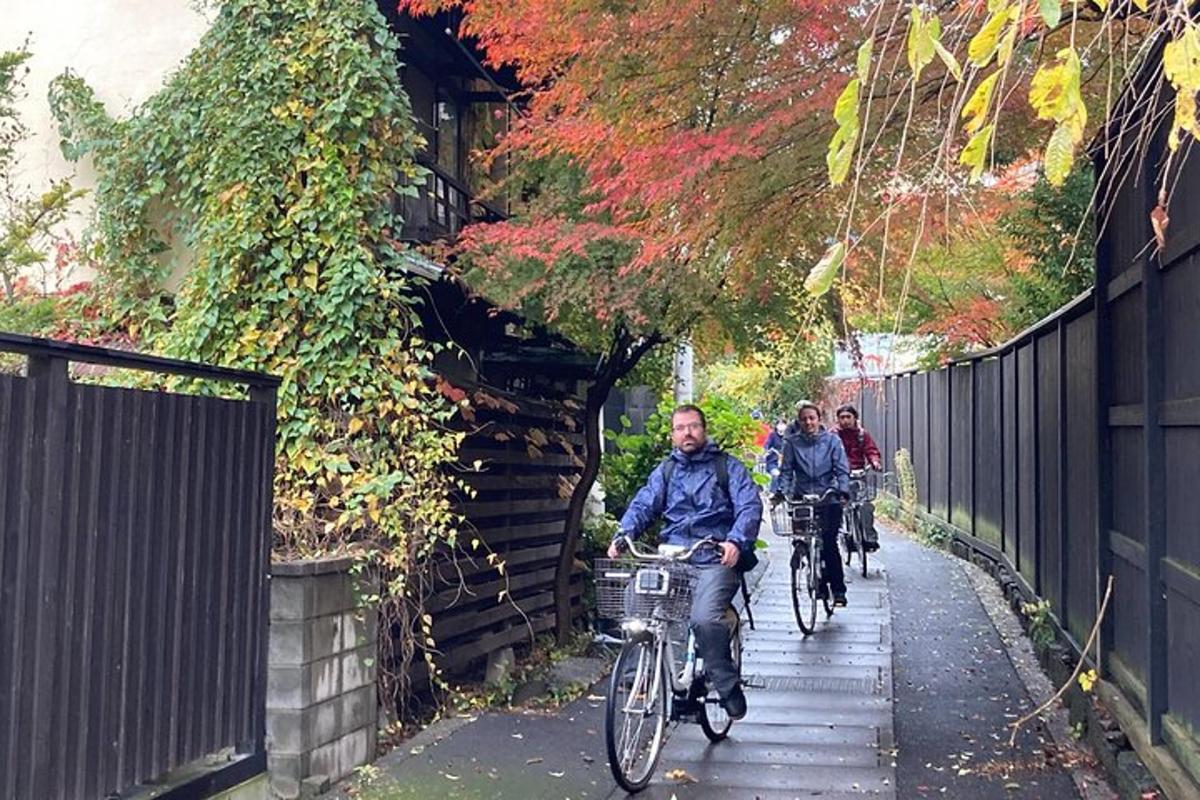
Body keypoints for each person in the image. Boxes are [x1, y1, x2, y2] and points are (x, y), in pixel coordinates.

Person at [607, 404, 763, 719]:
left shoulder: (726, 467)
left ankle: (726, 683)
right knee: (636, 595)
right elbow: (644, 503)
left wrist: (734, 540)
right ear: (672, 435)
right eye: (680, 428)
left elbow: (749, 505)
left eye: (693, 426)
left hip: (713, 558)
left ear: (703, 430)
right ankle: (642, 669)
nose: (687, 433)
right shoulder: (666, 471)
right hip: (674, 557)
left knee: (704, 620)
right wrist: (624, 534)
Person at [775, 400, 850, 606]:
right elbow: (786, 471)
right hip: (801, 497)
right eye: (804, 419)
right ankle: (810, 567)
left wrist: (842, 490)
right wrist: (782, 491)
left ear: (819, 419)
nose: (808, 422)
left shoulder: (832, 441)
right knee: (803, 538)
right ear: (798, 422)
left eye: (812, 418)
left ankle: (838, 590)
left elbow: (841, 469)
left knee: (829, 543)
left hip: (828, 497)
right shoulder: (791, 442)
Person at [835, 404, 882, 552]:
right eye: (842, 417)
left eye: (848, 417)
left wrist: (875, 462)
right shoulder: (833, 435)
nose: (845, 420)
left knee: (865, 506)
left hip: (858, 475)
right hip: (839, 476)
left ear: (855, 418)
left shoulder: (862, 435)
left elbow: (871, 450)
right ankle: (842, 534)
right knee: (837, 507)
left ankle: (869, 537)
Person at [763, 420, 787, 492]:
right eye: (779, 424)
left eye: (783, 424)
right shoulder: (772, 435)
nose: (781, 426)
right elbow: (766, 445)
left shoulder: (788, 436)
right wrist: (766, 451)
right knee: (776, 474)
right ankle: (773, 493)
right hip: (773, 462)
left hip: (786, 463)